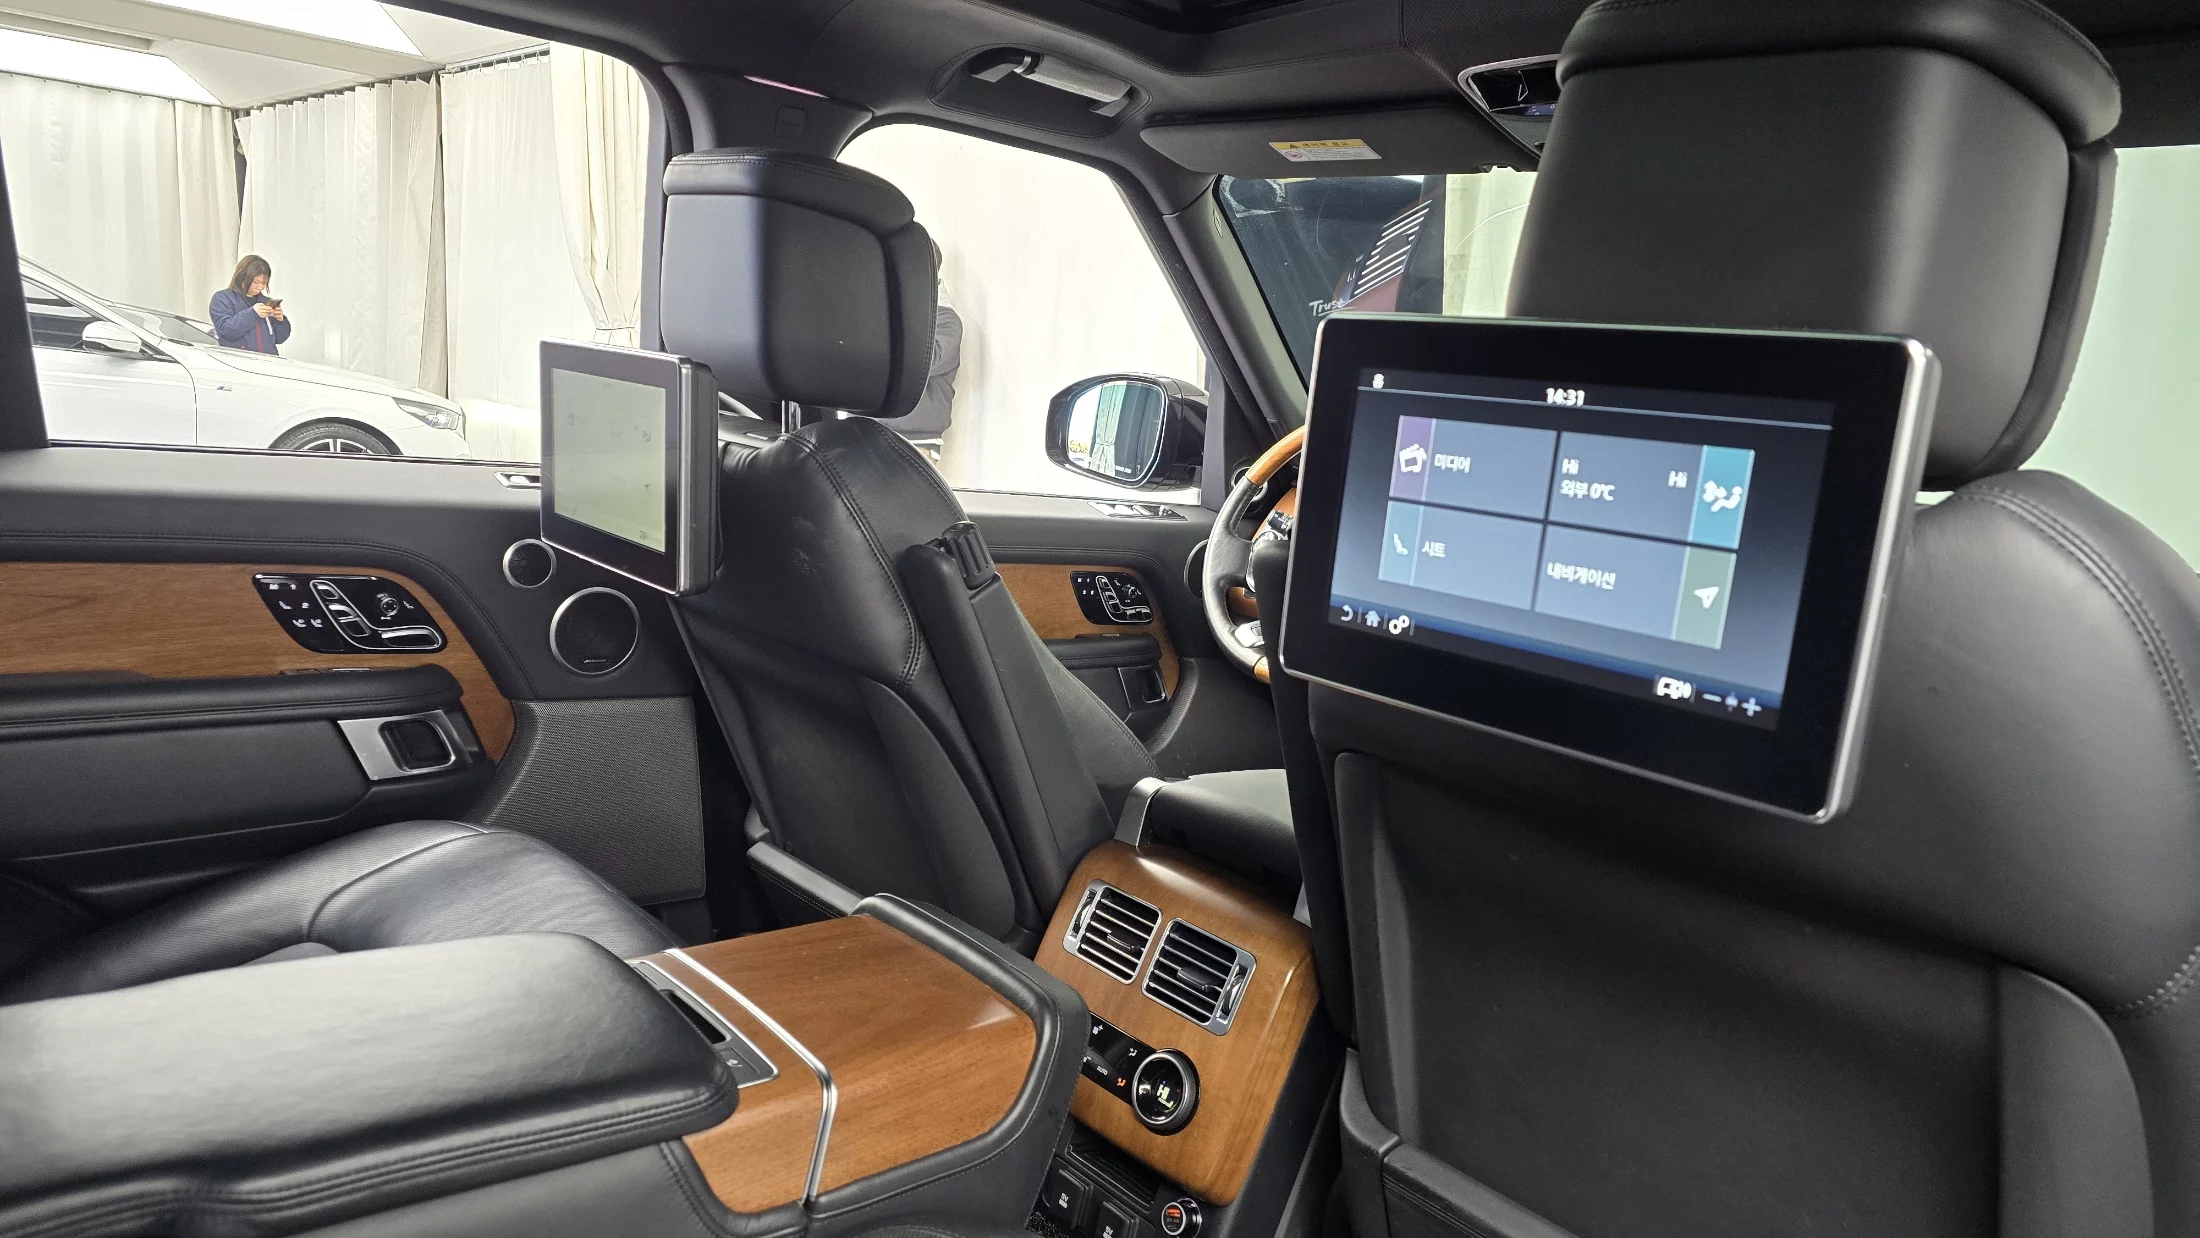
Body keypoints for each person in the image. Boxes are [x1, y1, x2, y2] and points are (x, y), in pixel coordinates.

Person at [210, 255, 290, 355]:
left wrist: (280, 321)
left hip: (268, 360)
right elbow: (226, 332)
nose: (260, 287)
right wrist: (253, 313)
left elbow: (280, 339)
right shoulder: (222, 298)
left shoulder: (266, 302)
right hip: (238, 360)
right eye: (256, 282)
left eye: (264, 283)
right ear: (241, 277)